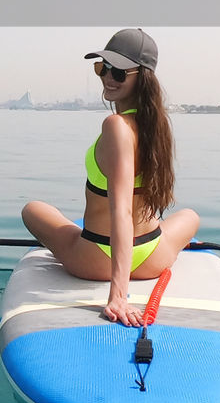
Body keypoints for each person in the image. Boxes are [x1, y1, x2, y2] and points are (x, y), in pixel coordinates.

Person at [22, 28, 200, 326]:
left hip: (97, 258)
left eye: (118, 72)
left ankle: (102, 257)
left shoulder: (116, 126)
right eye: (102, 68)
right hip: (154, 255)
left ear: (141, 77)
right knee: (190, 216)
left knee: (32, 210)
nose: (107, 77)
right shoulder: (157, 125)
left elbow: (122, 210)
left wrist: (119, 295)